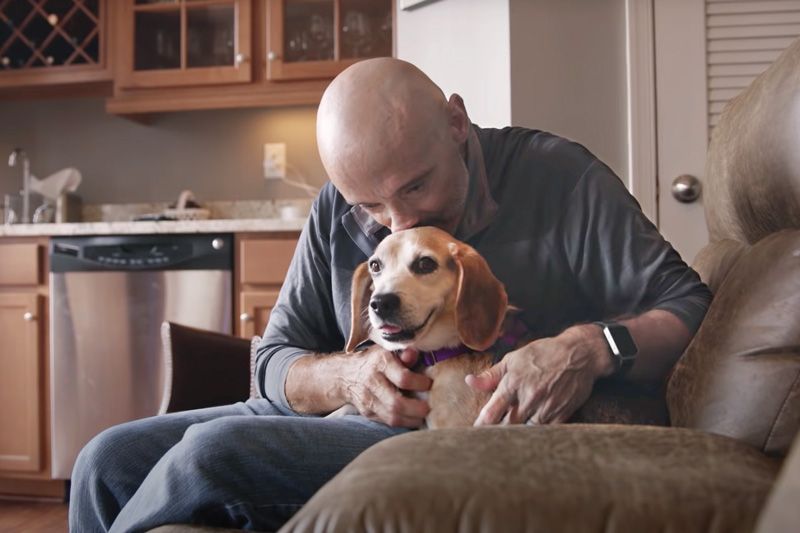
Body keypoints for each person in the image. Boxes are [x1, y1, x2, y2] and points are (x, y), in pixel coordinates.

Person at [69, 58, 711, 532]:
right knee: (105, 460)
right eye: (368, 206)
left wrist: (589, 346)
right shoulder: (334, 209)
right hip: (339, 409)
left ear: (457, 122)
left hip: (450, 427)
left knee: (212, 454)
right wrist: (350, 378)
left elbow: (689, 308)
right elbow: (271, 363)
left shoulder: (560, 179)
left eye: (415, 187)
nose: (397, 224)